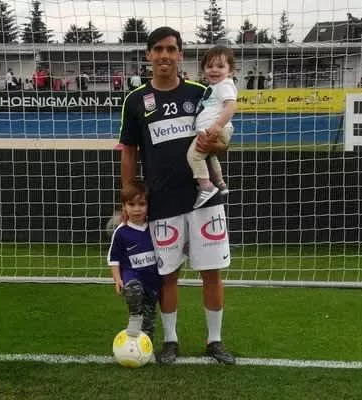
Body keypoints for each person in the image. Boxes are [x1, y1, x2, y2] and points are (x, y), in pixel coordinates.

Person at [120, 26, 234, 364]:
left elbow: (222, 144)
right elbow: (129, 152)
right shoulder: (136, 100)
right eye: (158, 49)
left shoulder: (202, 92)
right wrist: (128, 198)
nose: (164, 55)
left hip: (204, 200)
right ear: (148, 55)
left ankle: (215, 340)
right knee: (168, 275)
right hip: (162, 202)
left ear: (180, 55)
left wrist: (218, 143)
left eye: (171, 49)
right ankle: (170, 341)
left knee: (211, 272)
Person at [107, 180, 161, 342]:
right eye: (131, 204)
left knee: (149, 321)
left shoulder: (154, 227)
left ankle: (145, 346)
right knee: (133, 289)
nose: (137, 209)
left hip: (152, 279)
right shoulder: (121, 232)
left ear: (148, 205)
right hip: (132, 275)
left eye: (142, 204)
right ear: (124, 207)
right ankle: (135, 316)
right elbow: (113, 259)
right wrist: (117, 279)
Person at [187, 46, 237, 208]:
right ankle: (220, 183)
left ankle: (206, 186)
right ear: (203, 70)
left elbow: (231, 106)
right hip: (212, 129)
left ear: (230, 71)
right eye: (209, 66)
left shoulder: (224, 85)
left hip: (214, 130)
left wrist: (217, 125)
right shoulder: (213, 87)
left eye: (220, 66)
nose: (214, 70)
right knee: (211, 156)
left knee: (194, 156)